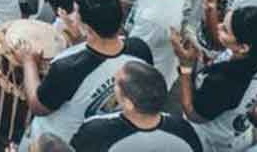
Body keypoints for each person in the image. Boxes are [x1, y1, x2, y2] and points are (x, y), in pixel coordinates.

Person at [17, 0, 153, 146]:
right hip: (103, 140)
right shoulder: (140, 49)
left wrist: (29, 62)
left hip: (57, 143)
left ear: (88, 28)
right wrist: (80, 41)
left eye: (76, 12)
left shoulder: (67, 68)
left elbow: (37, 106)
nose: (72, 16)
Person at [171, 6, 257, 152]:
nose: (218, 27)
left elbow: (193, 114)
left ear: (243, 47)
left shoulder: (227, 82)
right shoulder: (250, 57)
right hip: (235, 132)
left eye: (225, 30)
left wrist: (185, 67)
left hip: (209, 141)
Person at [69, 61, 203, 151]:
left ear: (128, 103)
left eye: (116, 83)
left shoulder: (95, 131)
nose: (113, 86)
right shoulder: (183, 129)